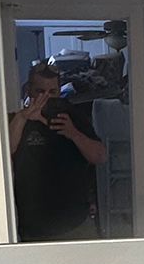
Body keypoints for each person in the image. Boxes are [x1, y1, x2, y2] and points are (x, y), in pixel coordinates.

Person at [7, 61, 107, 241]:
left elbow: (100, 156)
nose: (46, 97)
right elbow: (4, 153)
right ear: (29, 90)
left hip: (76, 225)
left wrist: (74, 134)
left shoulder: (73, 117)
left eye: (52, 92)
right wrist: (24, 117)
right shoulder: (17, 121)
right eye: (40, 91)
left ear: (59, 91)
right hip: (34, 229)